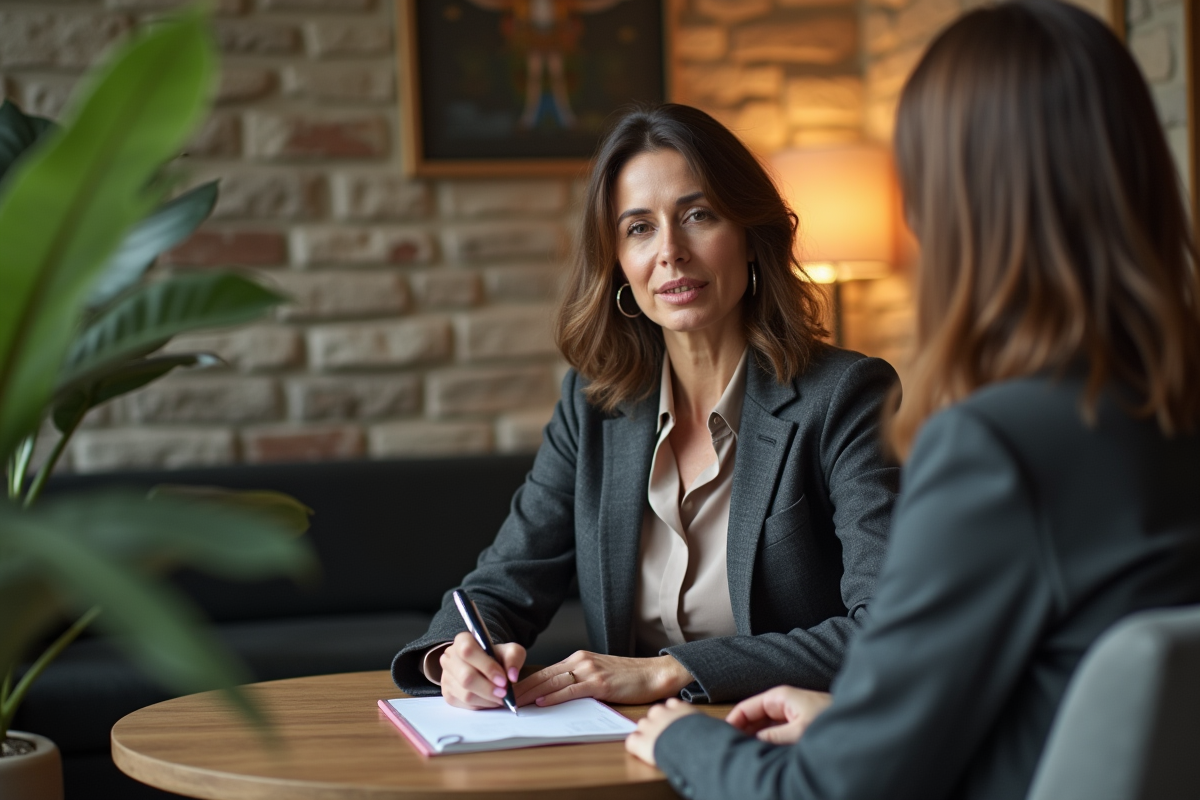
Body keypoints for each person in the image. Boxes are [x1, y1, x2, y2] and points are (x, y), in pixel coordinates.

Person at [624, 3, 1200, 798]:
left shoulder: (996, 449)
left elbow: (824, 793)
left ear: (958, 198)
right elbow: (1060, 697)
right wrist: (850, 717)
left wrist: (686, 741)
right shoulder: (1160, 413)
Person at [391, 103, 900, 709]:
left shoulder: (844, 395)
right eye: (639, 228)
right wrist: (455, 655)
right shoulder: (593, 407)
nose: (671, 252)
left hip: (783, 749)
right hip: (627, 750)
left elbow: (887, 625)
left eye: (699, 215)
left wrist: (673, 671)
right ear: (617, 265)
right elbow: (502, 585)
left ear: (751, 235)